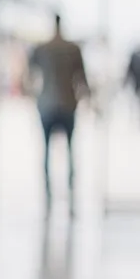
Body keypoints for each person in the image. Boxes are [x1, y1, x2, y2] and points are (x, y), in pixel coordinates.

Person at [29, 15, 89, 206]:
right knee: (70, 149)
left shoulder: (43, 48)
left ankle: (47, 188)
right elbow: (82, 80)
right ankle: (70, 187)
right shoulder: (72, 49)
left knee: (46, 149)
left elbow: (29, 75)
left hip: (47, 103)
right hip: (67, 103)